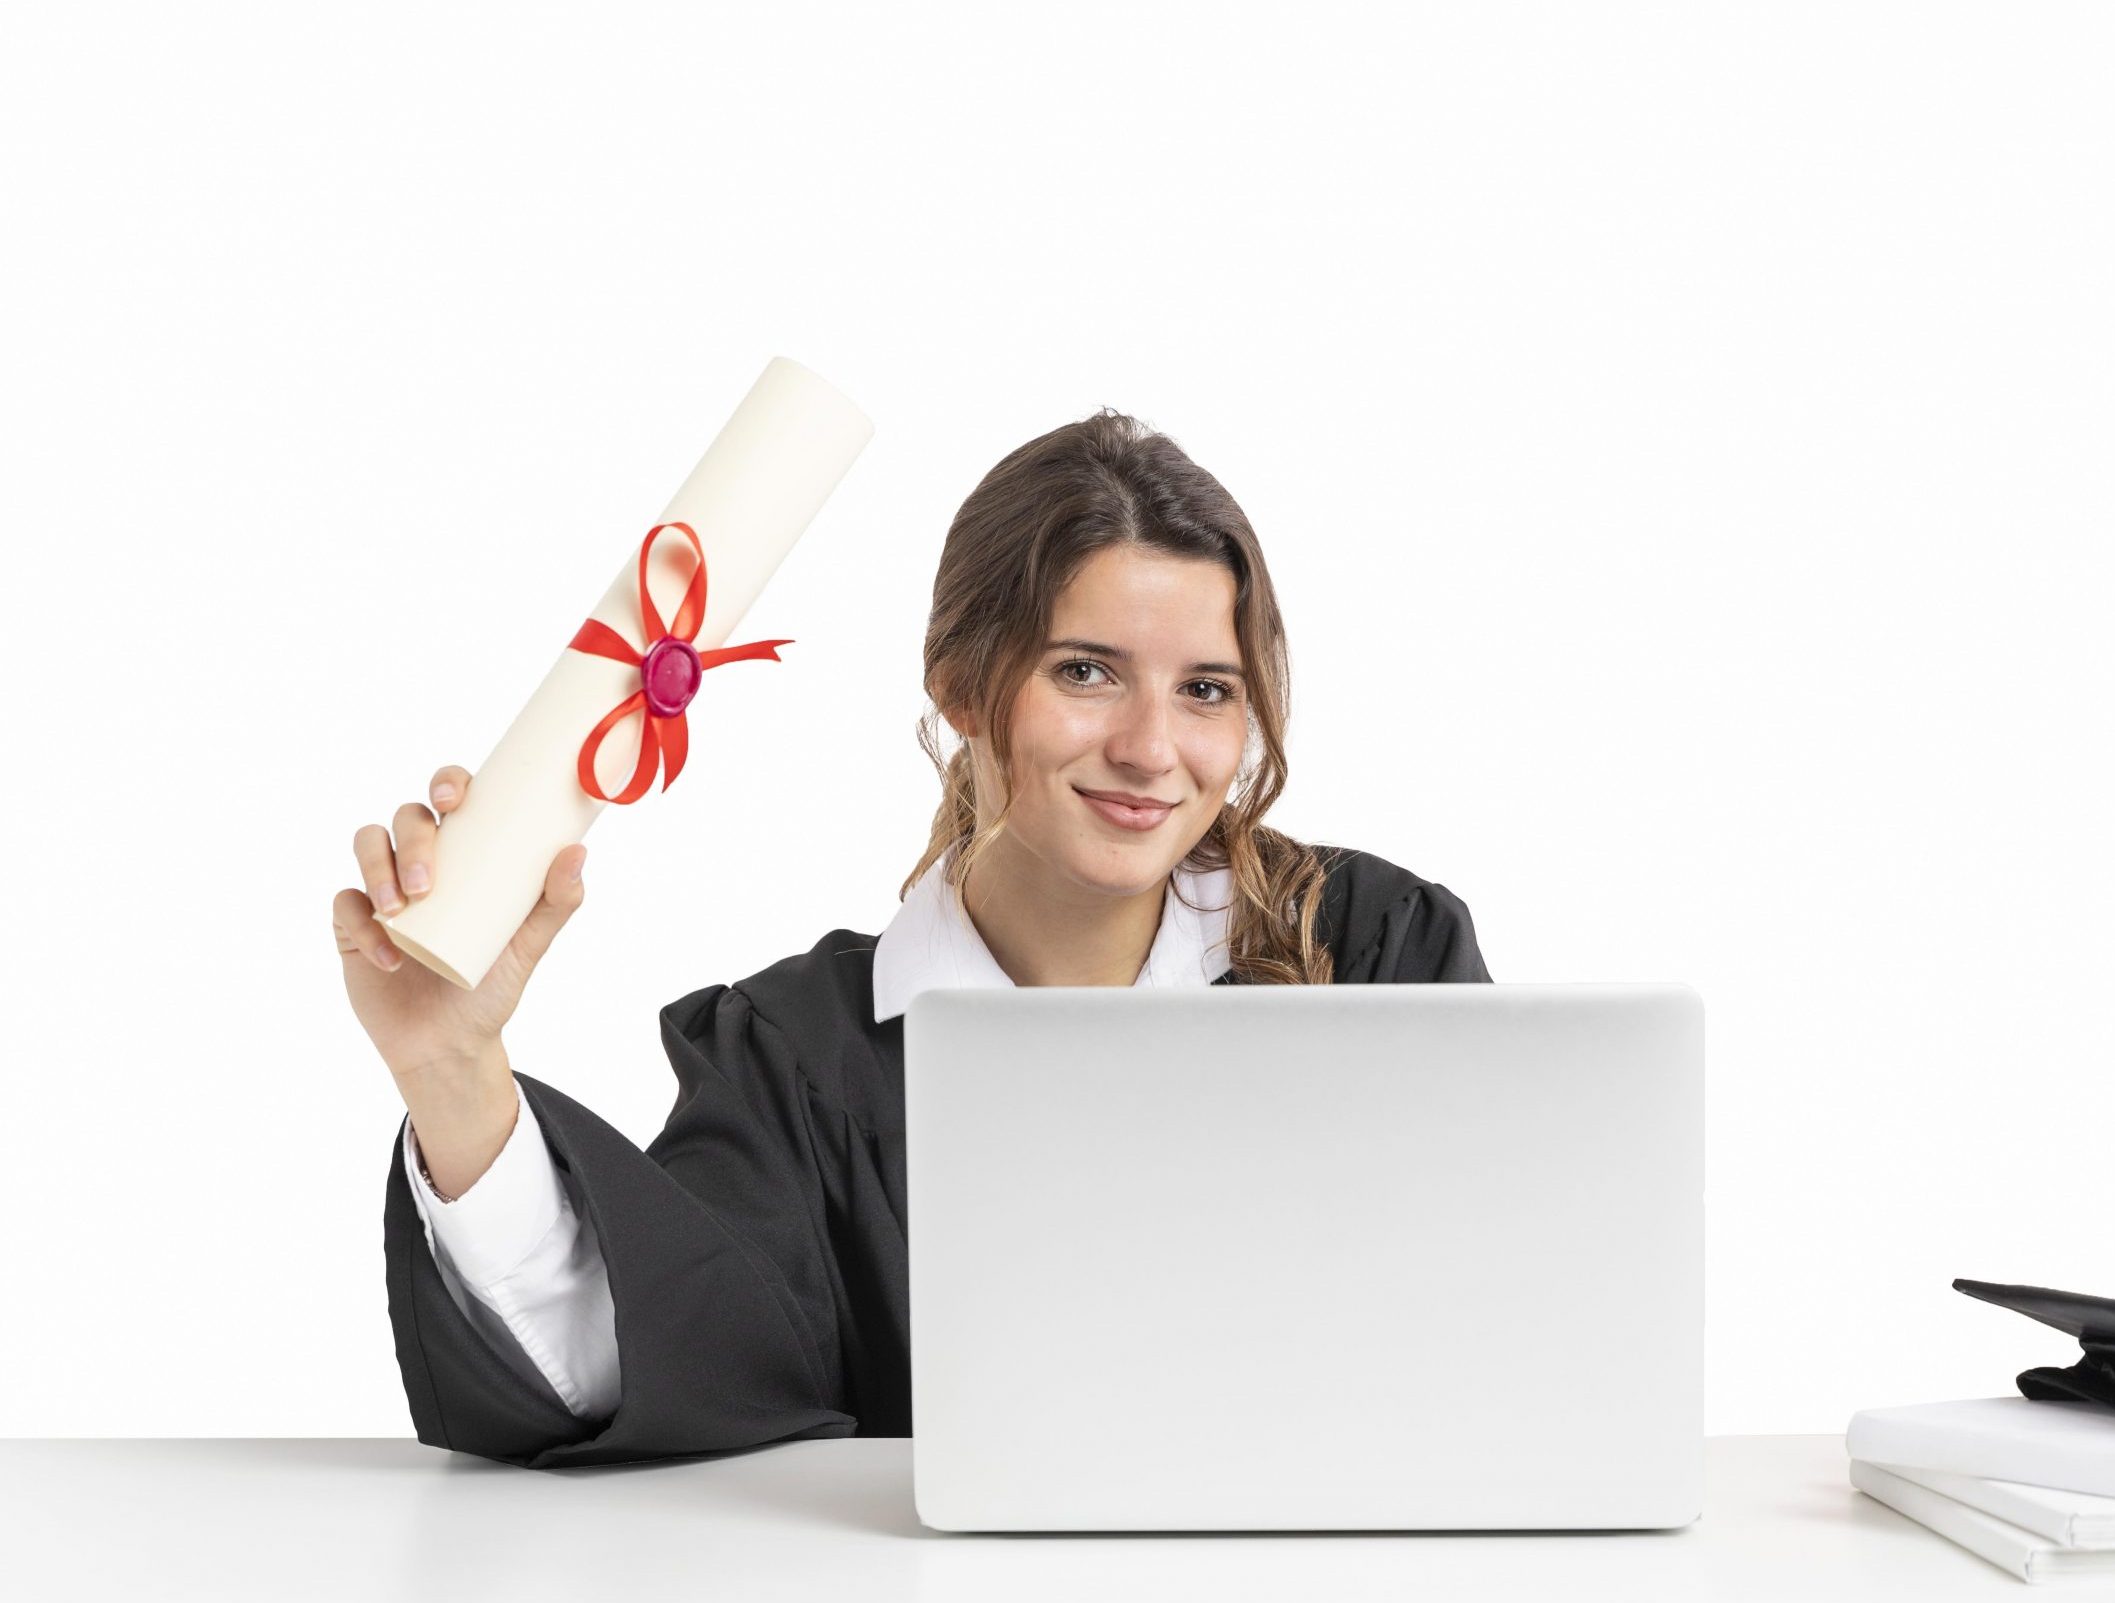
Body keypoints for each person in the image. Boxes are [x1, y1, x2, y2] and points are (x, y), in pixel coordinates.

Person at [333, 408, 1494, 1469]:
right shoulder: (799, 1067)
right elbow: (647, 1360)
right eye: (1085, 672)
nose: (1152, 748)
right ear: (963, 687)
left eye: (1205, 690)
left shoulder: (1369, 951)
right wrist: (451, 1069)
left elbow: (1502, 1334)